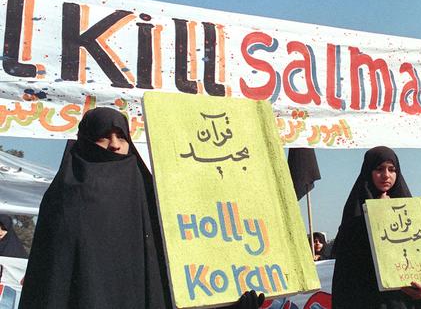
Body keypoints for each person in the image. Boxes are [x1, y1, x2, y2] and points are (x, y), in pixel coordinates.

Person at [19, 107, 263, 309]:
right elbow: (50, 282)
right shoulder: (65, 196)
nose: (115, 144)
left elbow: (170, 279)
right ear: (84, 141)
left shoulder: (148, 194)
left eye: (121, 136)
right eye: (103, 136)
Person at [331, 146, 421, 309]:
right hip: (369, 300)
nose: (386, 175)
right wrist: (378, 214)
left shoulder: (411, 211)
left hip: (405, 301)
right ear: (368, 172)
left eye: (392, 169)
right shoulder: (355, 215)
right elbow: (348, 268)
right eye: (379, 169)